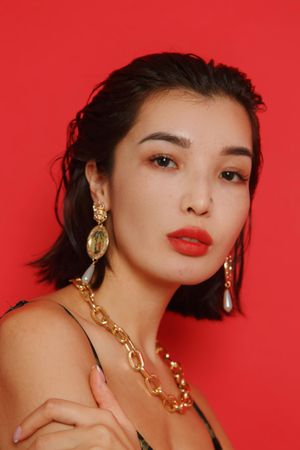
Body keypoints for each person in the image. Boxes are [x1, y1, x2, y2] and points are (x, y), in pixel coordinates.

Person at [0, 52, 264, 449]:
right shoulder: (40, 336)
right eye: (164, 160)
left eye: (230, 174)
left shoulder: (196, 408)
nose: (201, 201)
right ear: (100, 181)